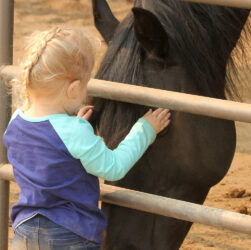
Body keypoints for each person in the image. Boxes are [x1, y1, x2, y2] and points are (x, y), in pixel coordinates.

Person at [3, 27, 170, 249]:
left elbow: (47, 149)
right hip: (70, 234)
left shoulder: (16, 121)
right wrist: (145, 129)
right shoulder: (73, 131)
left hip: (25, 230)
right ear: (73, 89)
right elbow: (113, 167)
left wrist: (76, 126)